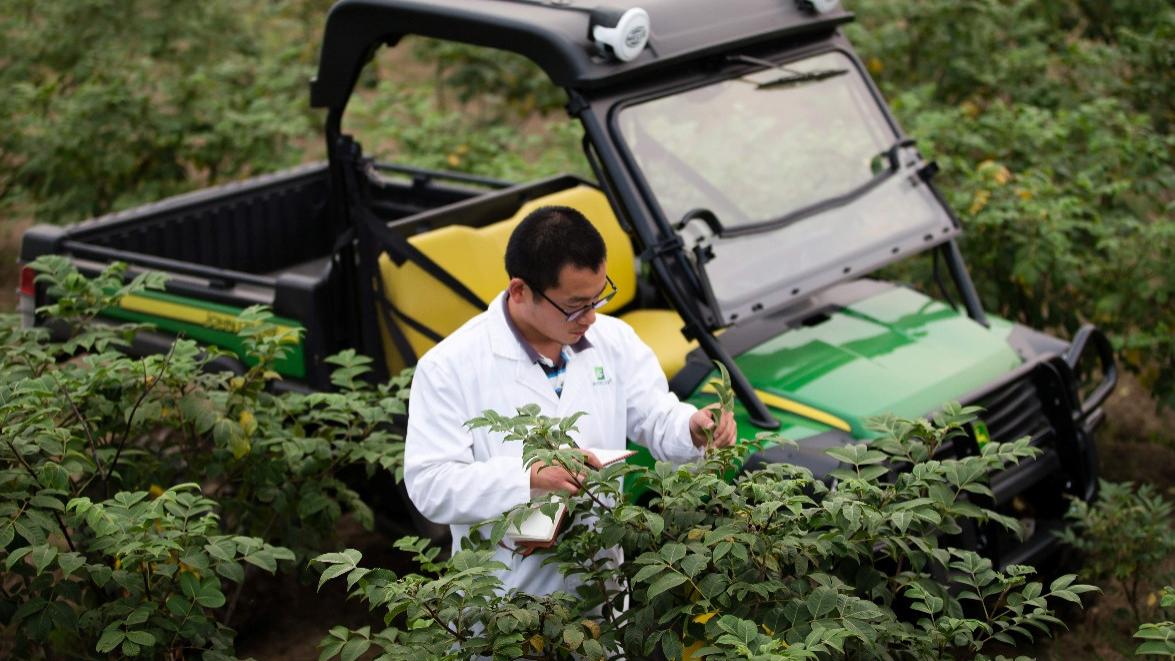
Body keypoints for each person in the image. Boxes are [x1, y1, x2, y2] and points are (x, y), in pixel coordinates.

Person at [403, 204, 736, 596]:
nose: (591, 317)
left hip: (602, 587)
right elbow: (431, 483)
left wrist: (691, 428)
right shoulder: (449, 366)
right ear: (520, 291)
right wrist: (527, 479)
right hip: (504, 600)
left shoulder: (614, 341)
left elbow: (654, 414)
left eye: (598, 298)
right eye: (576, 305)